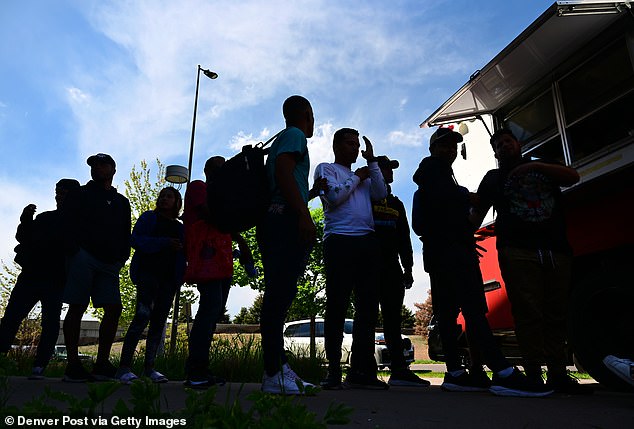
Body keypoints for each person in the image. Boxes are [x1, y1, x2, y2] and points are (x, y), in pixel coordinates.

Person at [412, 127, 553, 397]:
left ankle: (454, 373)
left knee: (450, 313)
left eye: (453, 146)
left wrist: (463, 235)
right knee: (474, 310)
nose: (449, 150)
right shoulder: (432, 171)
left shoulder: (443, 181)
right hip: (450, 255)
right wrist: (467, 199)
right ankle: (502, 372)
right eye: (443, 145)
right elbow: (424, 221)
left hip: (449, 253)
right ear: (432, 149)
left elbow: (438, 219)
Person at [470, 128, 591, 395]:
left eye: (507, 141)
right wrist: (463, 236)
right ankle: (533, 373)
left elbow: (573, 176)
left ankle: (559, 374)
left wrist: (536, 168)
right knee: (527, 312)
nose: (503, 146)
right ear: (494, 152)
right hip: (516, 250)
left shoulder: (542, 167)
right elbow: (476, 213)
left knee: (556, 311)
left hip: (555, 248)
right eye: (498, 144)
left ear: (518, 144)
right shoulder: (492, 178)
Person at [316, 128, 388, 390]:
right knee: (337, 304)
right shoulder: (327, 169)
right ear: (336, 145)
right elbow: (333, 198)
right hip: (339, 240)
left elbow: (381, 193)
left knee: (368, 307)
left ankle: (362, 370)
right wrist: (357, 177)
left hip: (367, 241)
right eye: (349, 143)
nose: (355, 148)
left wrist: (372, 162)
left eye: (357, 144)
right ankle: (333, 369)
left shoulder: (366, 174)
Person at [257, 95, 319, 395]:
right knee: (279, 296)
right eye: (312, 115)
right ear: (305, 114)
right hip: (283, 220)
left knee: (279, 294)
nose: (313, 122)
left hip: (275, 219)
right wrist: (303, 216)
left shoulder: (283, 138)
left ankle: (279, 367)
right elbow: (283, 173)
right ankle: (272, 372)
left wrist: (310, 196)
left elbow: (287, 176)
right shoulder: (294, 135)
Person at [181, 156, 254, 389]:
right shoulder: (198, 187)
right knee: (208, 310)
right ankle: (195, 371)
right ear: (209, 171)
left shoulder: (221, 195)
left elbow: (225, 223)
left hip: (221, 262)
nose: (224, 172)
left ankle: (201, 368)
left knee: (213, 314)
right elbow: (214, 216)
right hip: (206, 259)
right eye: (219, 168)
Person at [0, 179, 80, 379]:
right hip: (33, 275)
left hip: (54, 279)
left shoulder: (77, 223)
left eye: (62, 193)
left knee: (49, 322)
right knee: (12, 317)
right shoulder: (46, 218)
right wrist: (26, 220)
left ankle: (40, 365)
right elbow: (24, 238)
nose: (58, 196)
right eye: (57, 192)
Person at [62, 153, 131, 382]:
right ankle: (73, 364)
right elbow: (67, 222)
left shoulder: (121, 201)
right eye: (94, 165)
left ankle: (101, 363)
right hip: (84, 257)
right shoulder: (80, 194)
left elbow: (125, 232)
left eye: (103, 164)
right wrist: (75, 251)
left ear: (113, 169)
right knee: (77, 305)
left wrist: (122, 257)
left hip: (110, 263)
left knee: (113, 308)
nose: (97, 167)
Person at [116, 187, 186, 384]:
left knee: (158, 321)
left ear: (177, 202)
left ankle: (150, 368)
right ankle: (124, 368)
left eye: (169, 196)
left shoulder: (180, 227)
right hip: (148, 275)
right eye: (162, 196)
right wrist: (164, 243)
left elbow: (186, 250)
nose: (164, 199)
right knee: (142, 317)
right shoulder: (149, 218)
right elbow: (136, 240)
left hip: (169, 280)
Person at [371, 155, 429, 387]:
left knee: (393, 321)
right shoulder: (365, 197)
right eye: (385, 169)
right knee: (366, 318)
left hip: (392, 267)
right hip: (369, 265)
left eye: (390, 168)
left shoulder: (397, 204)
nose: (390, 172)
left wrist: (408, 268)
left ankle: (399, 371)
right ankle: (365, 370)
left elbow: (405, 238)